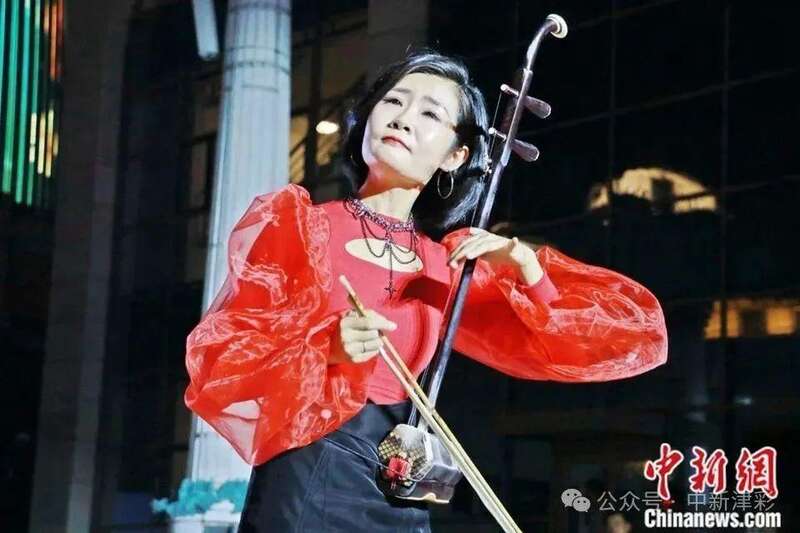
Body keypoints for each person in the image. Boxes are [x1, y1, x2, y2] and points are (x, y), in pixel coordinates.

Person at [183, 50, 669, 532]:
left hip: (399, 477)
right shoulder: (302, 228)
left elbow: (599, 339)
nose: (403, 118)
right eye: (394, 102)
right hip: (307, 469)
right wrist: (325, 349)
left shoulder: (445, 264)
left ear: (455, 156)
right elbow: (224, 357)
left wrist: (528, 266)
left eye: (430, 114)